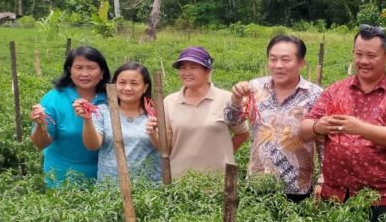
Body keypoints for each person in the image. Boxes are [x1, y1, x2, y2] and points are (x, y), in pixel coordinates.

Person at [300, 25, 386, 222]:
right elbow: (304, 129)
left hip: (382, 198)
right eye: (358, 54)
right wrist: (319, 126)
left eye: (371, 55)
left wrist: (360, 128)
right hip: (336, 194)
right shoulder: (335, 90)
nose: (363, 61)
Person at [226, 35, 323, 202]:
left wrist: (323, 178)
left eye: (286, 60)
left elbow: (323, 141)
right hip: (258, 183)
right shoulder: (255, 88)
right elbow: (232, 121)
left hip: (297, 187)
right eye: (273, 59)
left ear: (301, 63)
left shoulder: (315, 94)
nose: (278, 66)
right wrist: (235, 99)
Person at [162, 47, 248, 180]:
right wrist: (152, 132)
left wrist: (223, 154)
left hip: (219, 179)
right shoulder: (169, 102)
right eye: (182, 68)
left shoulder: (227, 99)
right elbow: (166, 145)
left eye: (193, 67)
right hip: (179, 180)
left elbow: (242, 133)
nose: (187, 72)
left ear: (207, 71)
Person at [30, 46, 110, 188]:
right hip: (62, 178)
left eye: (91, 68)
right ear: (70, 72)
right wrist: (40, 125)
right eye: (78, 68)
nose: (85, 73)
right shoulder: (54, 99)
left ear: (102, 72)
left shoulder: (112, 99)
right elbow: (40, 144)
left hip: (107, 177)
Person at [80, 63, 161, 183]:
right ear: (114, 85)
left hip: (148, 189)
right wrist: (87, 120)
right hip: (109, 187)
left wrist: (153, 133)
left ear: (145, 87)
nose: (127, 88)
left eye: (134, 83)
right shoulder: (102, 111)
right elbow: (93, 145)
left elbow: (164, 147)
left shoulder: (155, 113)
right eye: (122, 83)